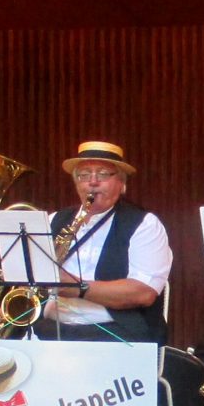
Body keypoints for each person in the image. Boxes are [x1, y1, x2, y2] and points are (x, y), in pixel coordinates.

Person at [41, 140, 171, 344]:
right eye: (84, 175)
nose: (92, 182)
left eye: (102, 174)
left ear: (121, 183)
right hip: (50, 327)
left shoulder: (144, 225)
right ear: (76, 183)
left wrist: (77, 287)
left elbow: (143, 292)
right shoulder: (54, 220)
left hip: (112, 333)